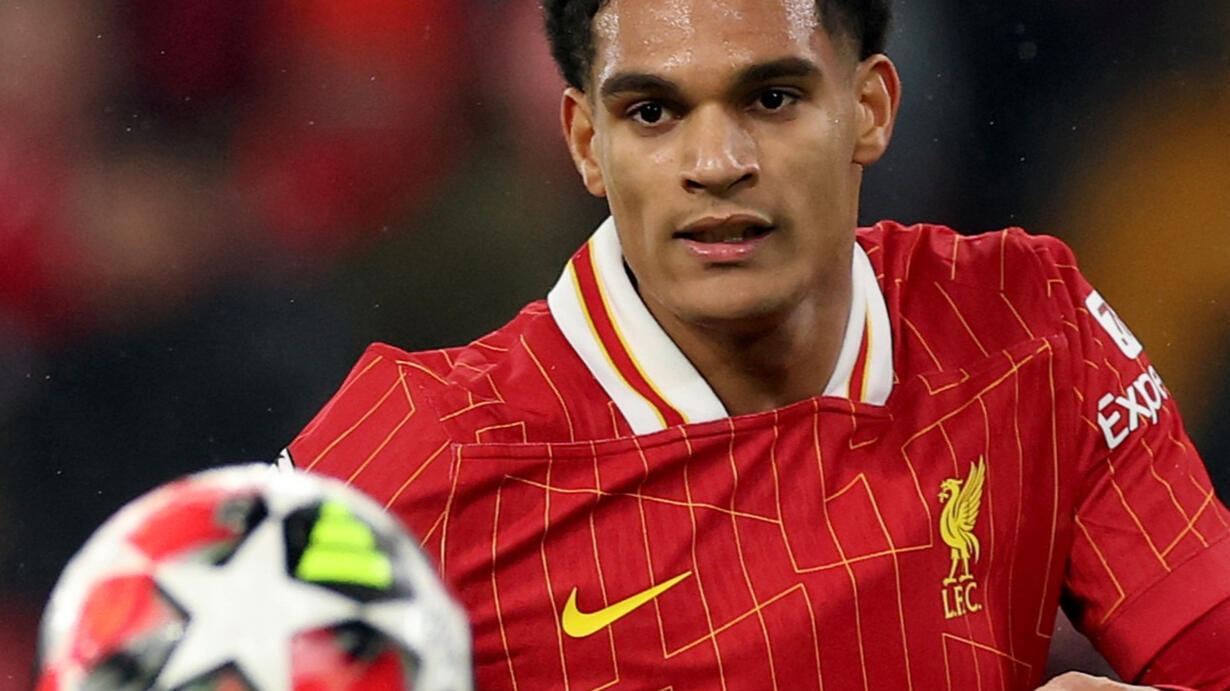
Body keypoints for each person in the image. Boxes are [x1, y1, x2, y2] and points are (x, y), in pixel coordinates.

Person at [283, 0, 1230, 688]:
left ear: (870, 108)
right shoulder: (419, 452)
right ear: (584, 141)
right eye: (652, 112)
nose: (717, 164)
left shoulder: (1024, 328)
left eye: (772, 98)